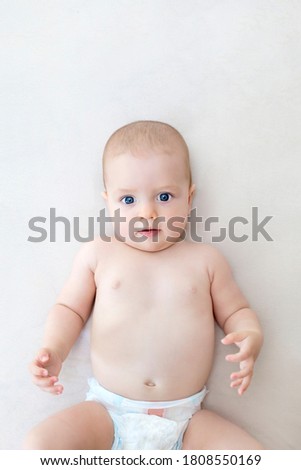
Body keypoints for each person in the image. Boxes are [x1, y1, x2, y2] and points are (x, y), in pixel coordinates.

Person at [24, 121, 264, 450]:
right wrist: (54, 350)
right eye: (128, 200)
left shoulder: (206, 260)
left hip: (187, 420)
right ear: (109, 202)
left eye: (165, 196)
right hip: (108, 413)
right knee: (39, 446)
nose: (148, 212)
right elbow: (69, 308)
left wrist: (251, 335)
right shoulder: (98, 254)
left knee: (254, 457)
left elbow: (237, 310)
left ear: (189, 198)